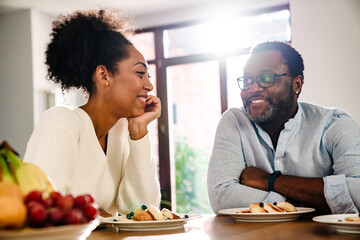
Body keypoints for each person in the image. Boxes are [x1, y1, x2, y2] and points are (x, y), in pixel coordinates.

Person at [23, 9, 161, 216]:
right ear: (104, 75)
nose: (149, 85)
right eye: (140, 73)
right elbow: (48, 209)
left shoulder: (121, 131)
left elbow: (140, 211)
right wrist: (105, 215)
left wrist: (139, 131)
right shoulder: (60, 121)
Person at [207, 41, 360, 215]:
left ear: (297, 84)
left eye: (266, 78)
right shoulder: (234, 121)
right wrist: (300, 203)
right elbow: (222, 196)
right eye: (248, 80)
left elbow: (357, 192)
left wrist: (270, 181)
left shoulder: (335, 124)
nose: (253, 89)